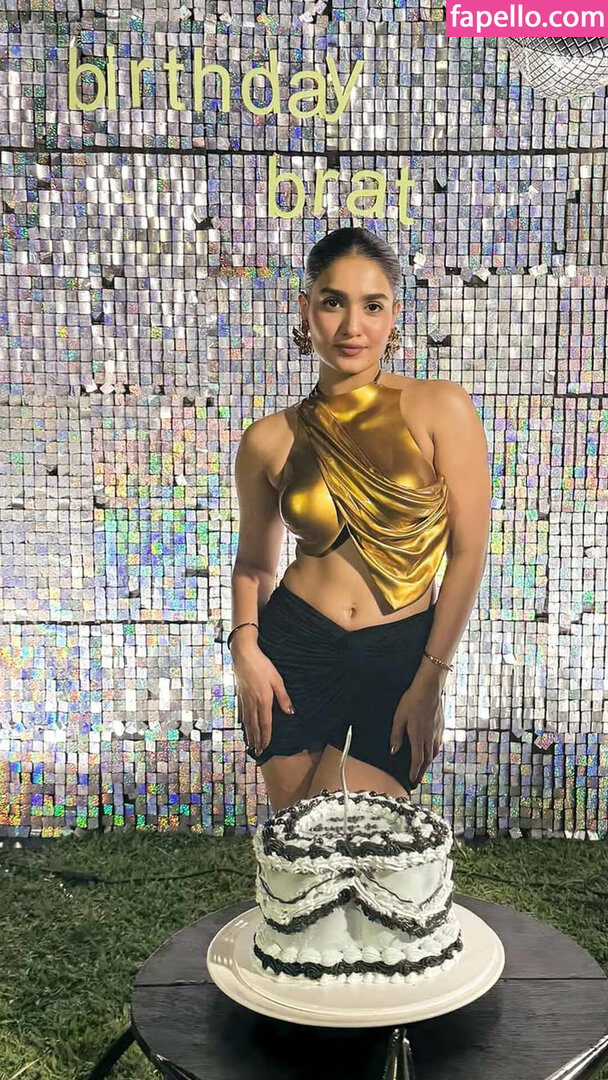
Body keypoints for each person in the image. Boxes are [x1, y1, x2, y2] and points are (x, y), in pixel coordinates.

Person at [229, 227, 491, 813]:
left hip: (397, 655)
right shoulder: (268, 439)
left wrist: (431, 677)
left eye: (372, 306)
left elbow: (468, 553)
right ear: (306, 310)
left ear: (394, 315)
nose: (352, 326)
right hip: (294, 649)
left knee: (358, 843)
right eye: (333, 302)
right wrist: (245, 650)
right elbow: (253, 567)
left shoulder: (440, 407)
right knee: (299, 846)